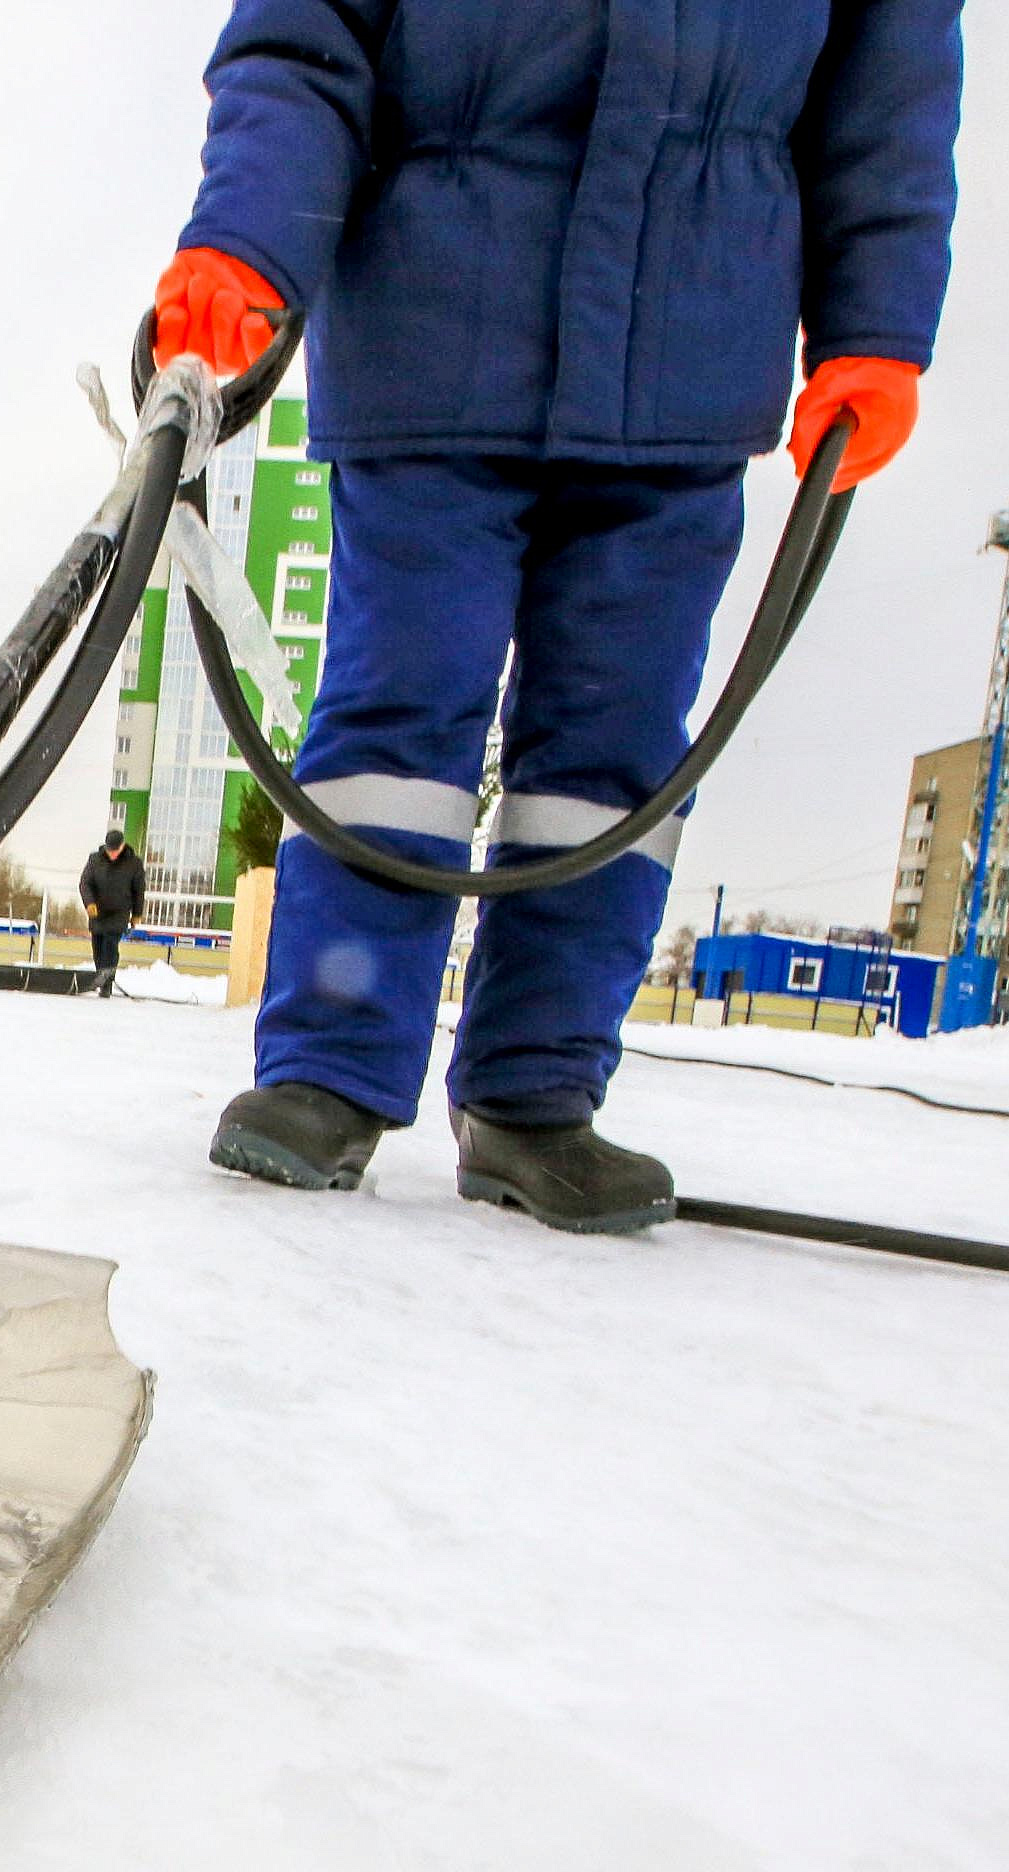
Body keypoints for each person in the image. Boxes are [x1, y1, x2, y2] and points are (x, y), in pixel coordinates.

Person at [157, 0, 961, 1231]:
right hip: (436, 326)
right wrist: (249, 241)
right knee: (400, 712)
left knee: (615, 745)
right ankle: (328, 1067)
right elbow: (305, 38)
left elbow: (888, 85)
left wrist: (875, 320)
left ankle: (537, 1091)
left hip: (687, 353)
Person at [79, 825, 145, 998]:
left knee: (110, 945)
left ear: (122, 846)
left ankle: (106, 983)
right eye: (110, 850)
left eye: (115, 851)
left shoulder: (134, 863)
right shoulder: (95, 859)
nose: (112, 854)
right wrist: (89, 903)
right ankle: (100, 977)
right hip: (97, 912)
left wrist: (137, 914)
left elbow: (139, 891)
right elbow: (85, 884)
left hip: (119, 913)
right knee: (98, 947)